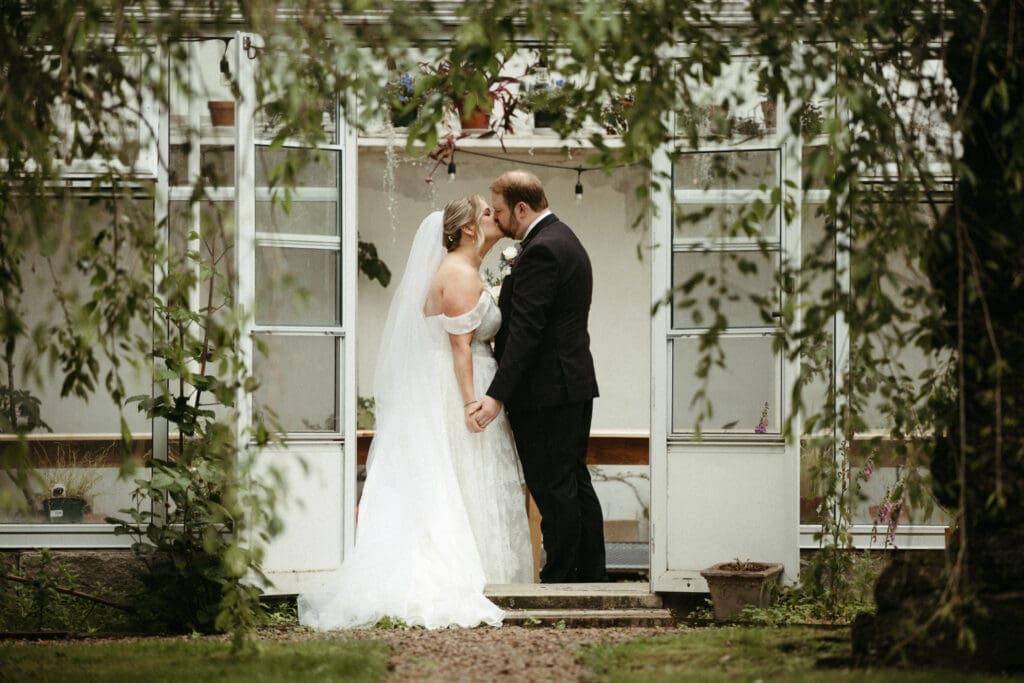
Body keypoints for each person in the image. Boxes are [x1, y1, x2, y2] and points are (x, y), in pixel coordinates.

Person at [298, 197, 531, 631]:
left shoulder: (462, 269)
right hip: (463, 385)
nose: (493, 217)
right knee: (463, 475)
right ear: (465, 230)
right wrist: (470, 403)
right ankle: (469, 573)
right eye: (485, 213)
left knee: (463, 478)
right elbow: (460, 348)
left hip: (462, 379)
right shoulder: (459, 275)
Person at [471, 170, 607, 583]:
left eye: (499, 211)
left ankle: (564, 577)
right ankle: (589, 574)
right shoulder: (562, 239)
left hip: (548, 390)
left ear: (521, 208)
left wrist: (496, 395)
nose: (496, 218)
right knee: (572, 481)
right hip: (569, 384)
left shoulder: (543, 251)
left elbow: (527, 331)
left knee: (553, 486)